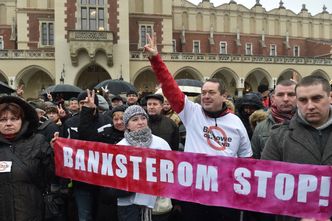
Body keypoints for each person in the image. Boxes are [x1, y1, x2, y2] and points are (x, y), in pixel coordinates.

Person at [144, 33, 252, 221]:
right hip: (194, 194)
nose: (206, 96)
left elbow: (247, 162)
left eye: (211, 92)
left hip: (225, 197)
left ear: (224, 96)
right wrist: (155, 59)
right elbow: (170, 87)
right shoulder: (192, 113)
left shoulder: (236, 123)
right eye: (203, 93)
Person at [261, 76, 332, 221]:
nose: (310, 106)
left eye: (317, 98)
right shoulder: (279, 136)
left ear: (330, 97)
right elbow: (266, 186)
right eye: (303, 100)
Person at [0, 96, 54, 221]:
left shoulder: (38, 142)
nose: (8, 123)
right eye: (2, 120)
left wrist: (54, 153)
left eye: (14, 119)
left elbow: (52, 176)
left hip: (30, 211)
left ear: (22, 120)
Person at [116, 105, 171, 221]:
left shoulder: (161, 143)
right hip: (128, 205)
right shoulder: (120, 147)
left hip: (156, 204)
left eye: (143, 118)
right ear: (127, 125)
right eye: (135, 120)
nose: (140, 122)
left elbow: (172, 171)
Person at [251, 80, 297, 159]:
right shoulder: (261, 127)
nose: (285, 99)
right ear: (273, 98)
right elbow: (255, 160)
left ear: (299, 97)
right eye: (280, 95)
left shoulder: (309, 125)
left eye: (291, 94)